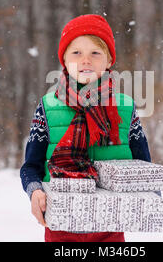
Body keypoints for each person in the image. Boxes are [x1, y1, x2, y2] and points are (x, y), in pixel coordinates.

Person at [19, 14, 153, 242]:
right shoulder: (48, 107)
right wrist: (35, 191)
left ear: (109, 60)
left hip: (110, 225)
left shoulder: (125, 107)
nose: (86, 60)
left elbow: (143, 169)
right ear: (64, 59)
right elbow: (30, 166)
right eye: (76, 52)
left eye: (95, 53)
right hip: (61, 224)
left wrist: (146, 199)